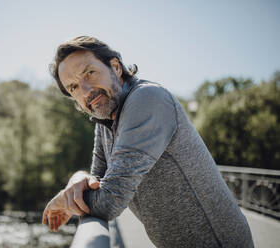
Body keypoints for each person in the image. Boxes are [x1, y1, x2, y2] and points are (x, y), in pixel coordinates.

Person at [42, 36, 254, 247]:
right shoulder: (104, 118)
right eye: (73, 87)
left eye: (89, 73)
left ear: (115, 67)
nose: (86, 91)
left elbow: (109, 201)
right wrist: (78, 177)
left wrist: (64, 201)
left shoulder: (148, 99)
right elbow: (99, 179)